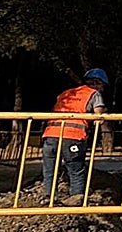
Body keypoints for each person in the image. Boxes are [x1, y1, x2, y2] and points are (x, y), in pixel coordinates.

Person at [42, 68, 107, 200]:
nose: (103, 89)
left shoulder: (66, 93)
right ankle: (76, 200)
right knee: (76, 170)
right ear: (97, 83)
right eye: (102, 85)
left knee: (50, 170)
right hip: (73, 136)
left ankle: (48, 198)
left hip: (51, 135)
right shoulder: (94, 94)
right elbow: (98, 114)